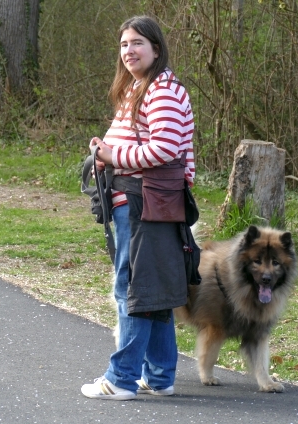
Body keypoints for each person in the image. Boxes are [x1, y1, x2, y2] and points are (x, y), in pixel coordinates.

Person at [80, 16, 195, 400]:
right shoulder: (141, 87)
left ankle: (121, 379)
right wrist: (107, 150)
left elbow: (165, 149)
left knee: (133, 290)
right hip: (144, 202)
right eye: (124, 45)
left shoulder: (161, 89)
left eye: (137, 44)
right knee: (154, 291)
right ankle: (160, 376)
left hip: (143, 203)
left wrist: (113, 154)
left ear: (156, 48)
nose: (129, 51)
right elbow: (145, 142)